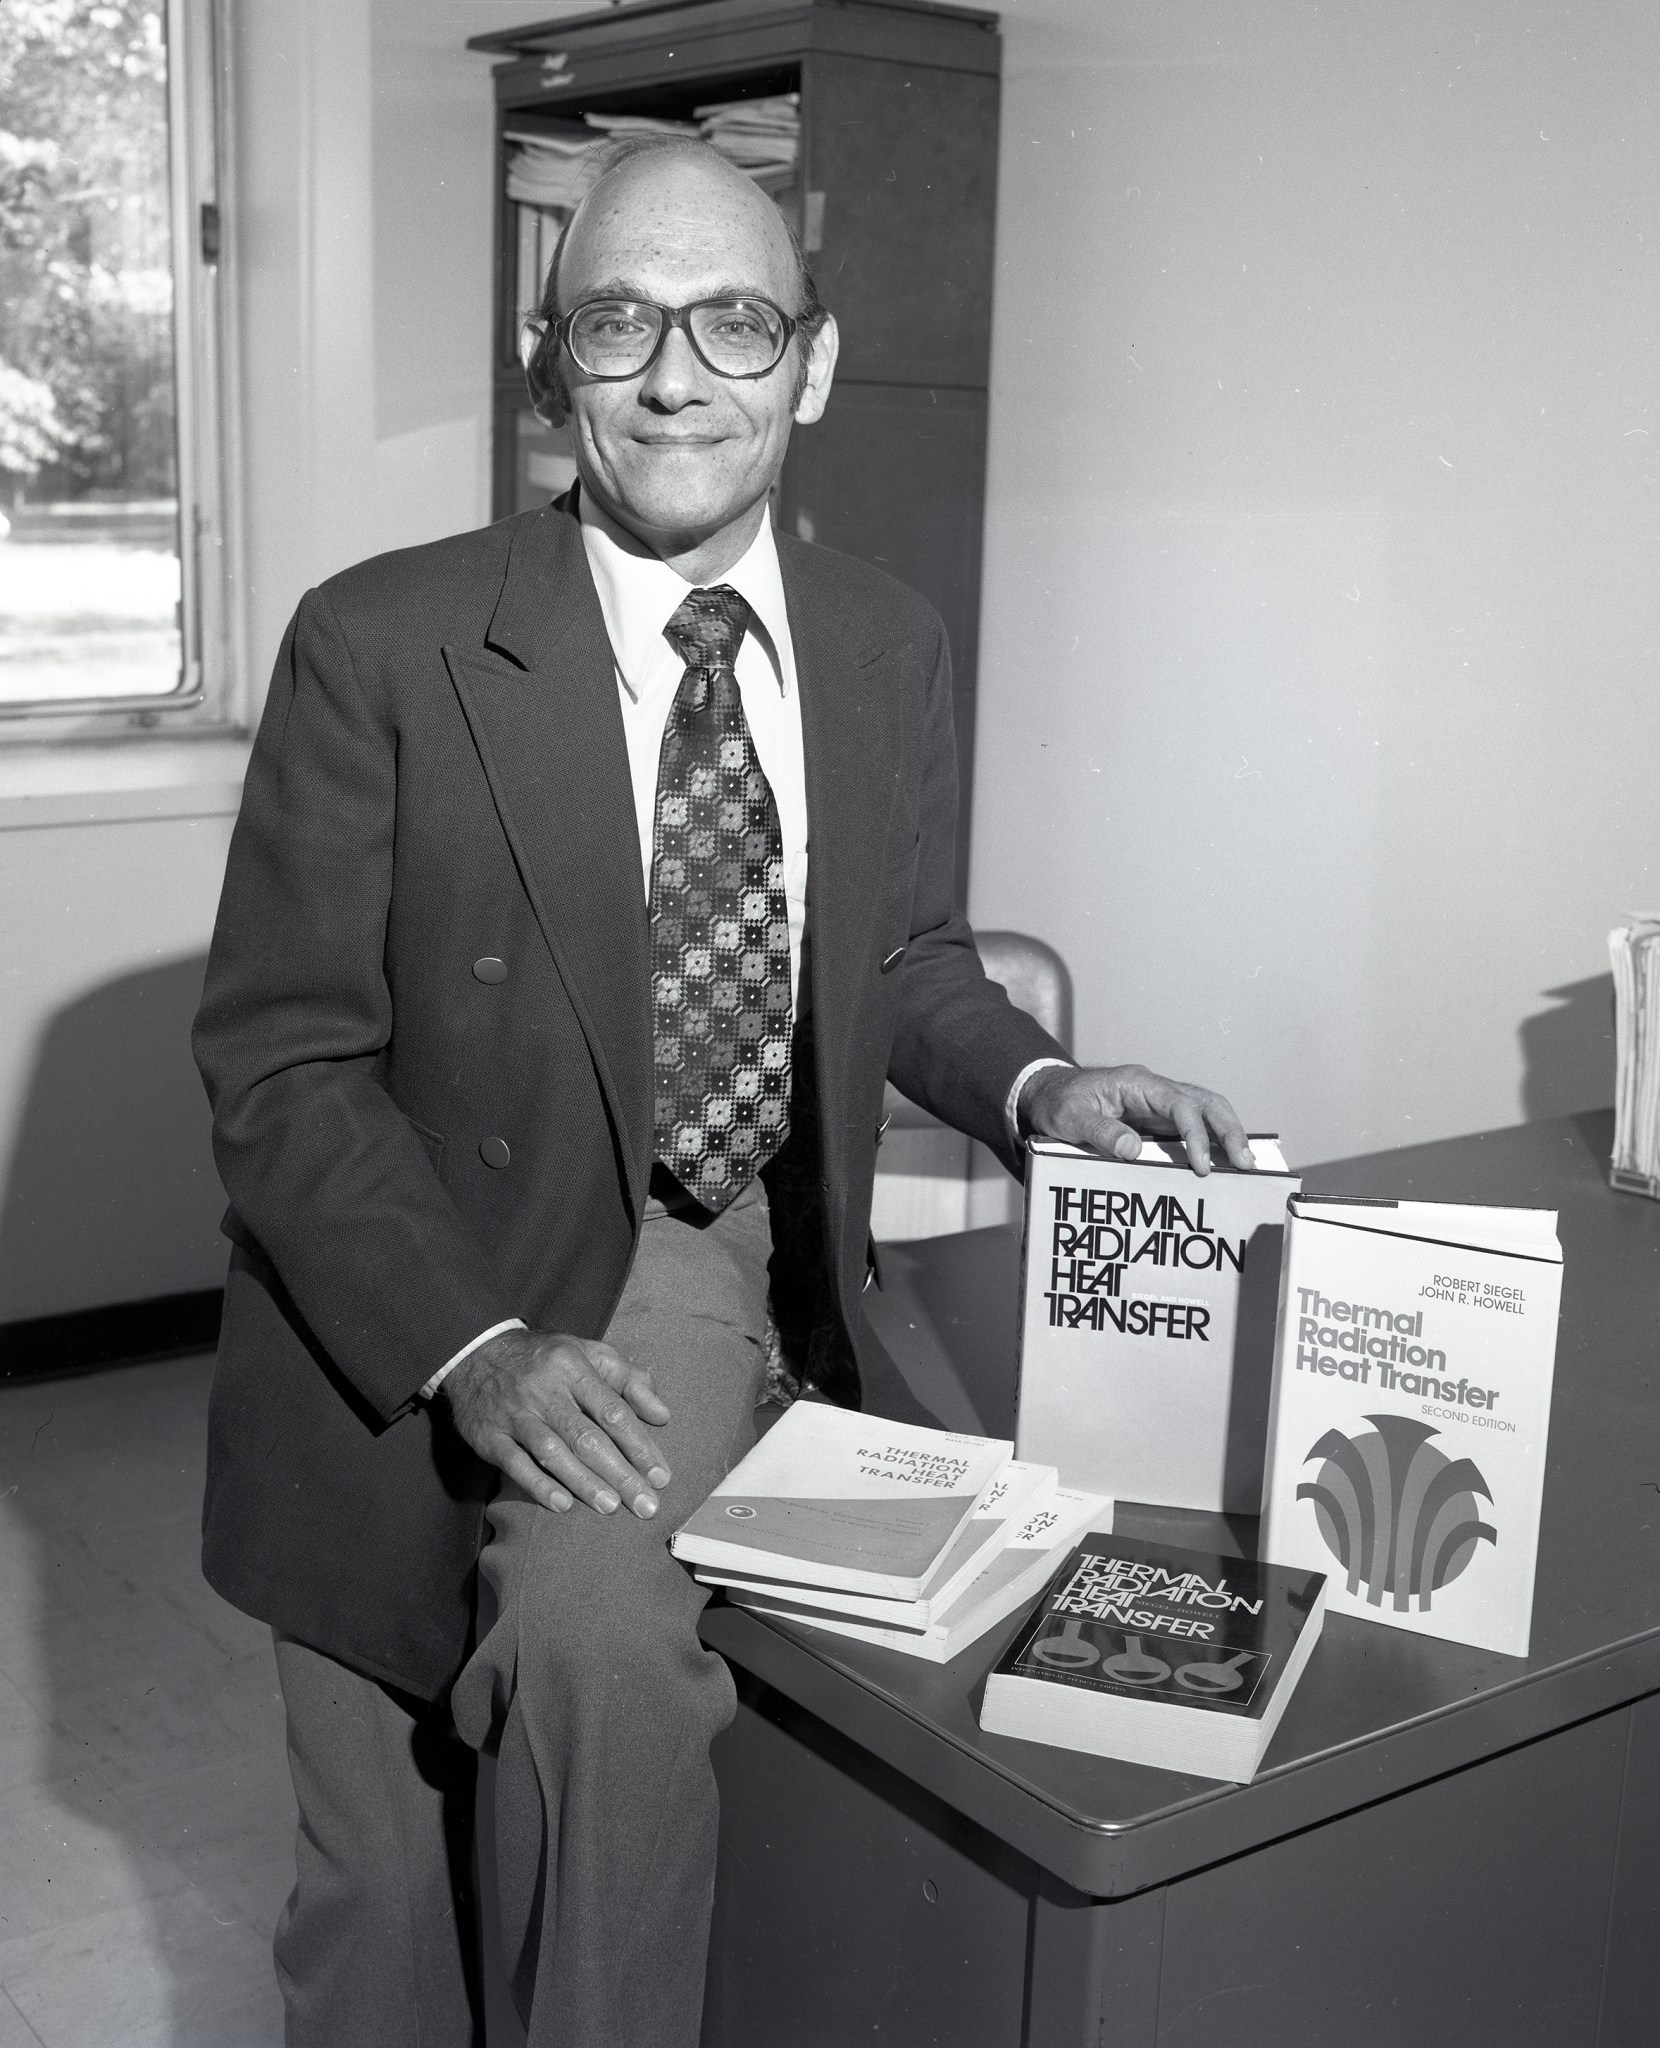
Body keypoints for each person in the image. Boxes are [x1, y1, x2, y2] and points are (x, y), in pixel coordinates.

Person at [192, 136, 1253, 2048]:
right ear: (552, 367)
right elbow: (283, 1066)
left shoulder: (882, 640)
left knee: (642, 1716)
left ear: (813, 365)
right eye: (618, 321)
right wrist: (476, 1344)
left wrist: (1041, 1086)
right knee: (385, 1929)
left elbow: (900, 960)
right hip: (460, 1282)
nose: (679, 375)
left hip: (773, 1265)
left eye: (737, 322)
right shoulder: (384, 640)